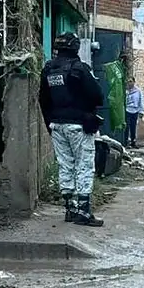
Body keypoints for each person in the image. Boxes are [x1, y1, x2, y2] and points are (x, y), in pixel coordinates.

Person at [39, 32, 105, 227]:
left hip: (57, 125)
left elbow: (43, 99)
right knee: (84, 165)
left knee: (65, 165)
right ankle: (84, 211)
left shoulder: (49, 69)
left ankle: (70, 208)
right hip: (79, 125)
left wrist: (49, 123)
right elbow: (97, 96)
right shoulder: (79, 69)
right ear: (75, 47)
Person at [124, 79, 144, 148]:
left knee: (133, 127)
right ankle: (126, 142)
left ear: (134, 82)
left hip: (135, 111)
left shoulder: (138, 91)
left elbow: (141, 100)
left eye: (131, 81)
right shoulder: (125, 91)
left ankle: (133, 142)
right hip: (127, 110)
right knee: (126, 126)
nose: (129, 83)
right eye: (128, 81)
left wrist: (141, 111)